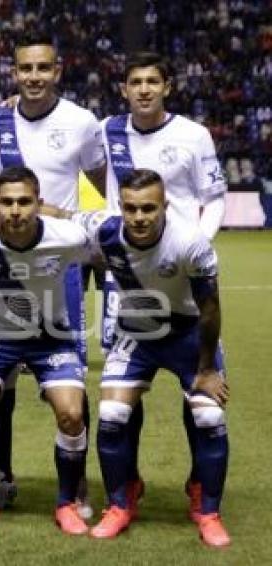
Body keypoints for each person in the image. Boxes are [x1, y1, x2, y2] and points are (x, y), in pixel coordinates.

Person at [100, 52, 228, 516]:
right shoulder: (107, 131)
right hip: (127, 279)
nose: (144, 89)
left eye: (153, 81)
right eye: (135, 82)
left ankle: (199, 484)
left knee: (197, 391)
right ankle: (128, 483)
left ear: (167, 86)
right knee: (121, 396)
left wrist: (190, 246)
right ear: (124, 88)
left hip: (180, 268)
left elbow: (213, 198)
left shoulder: (193, 135)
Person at [0, 30, 107, 512]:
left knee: (70, 380)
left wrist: (83, 229)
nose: (34, 77)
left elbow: (104, 181)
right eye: (25, 69)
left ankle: (75, 485)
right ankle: (2, 473)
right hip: (4, 272)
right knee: (2, 380)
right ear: (14, 73)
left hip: (61, 272)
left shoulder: (81, 122)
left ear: (58, 70)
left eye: (43, 68)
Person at [76, 169, 230, 547]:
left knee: (209, 415)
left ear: (165, 206)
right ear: (120, 207)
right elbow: (56, 218)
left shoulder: (190, 241)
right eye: (130, 208)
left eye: (148, 208)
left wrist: (207, 369)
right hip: (136, 333)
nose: (139, 217)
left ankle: (207, 507)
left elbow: (210, 308)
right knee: (112, 416)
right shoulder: (105, 231)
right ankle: (121, 500)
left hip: (188, 333)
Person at [0, 166, 90, 535]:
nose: (15, 210)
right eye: (7, 203)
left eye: (24, 202)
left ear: (38, 203)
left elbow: (112, 243)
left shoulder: (68, 237)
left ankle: (66, 503)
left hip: (52, 340)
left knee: (72, 413)